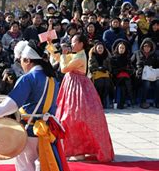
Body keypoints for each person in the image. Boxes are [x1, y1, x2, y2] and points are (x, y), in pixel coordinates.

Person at [0, 40, 72, 171]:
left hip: (28, 130)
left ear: (28, 60)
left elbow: (12, 103)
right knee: (42, 167)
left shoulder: (28, 78)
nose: (21, 65)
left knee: (25, 169)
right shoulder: (51, 79)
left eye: (22, 61)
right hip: (46, 131)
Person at [47, 34, 114, 162]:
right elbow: (60, 58)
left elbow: (64, 68)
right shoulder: (77, 54)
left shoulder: (80, 56)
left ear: (81, 44)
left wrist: (63, 55)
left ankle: (79, 150)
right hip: (72, 85)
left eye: (73, 42)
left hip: (78, 88)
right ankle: (76, 149)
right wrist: (51, 45)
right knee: (71, 117)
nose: (71, 44)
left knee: (75, 117)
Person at [130, 38, 158, 109]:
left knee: (158, 83)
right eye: (145, 46)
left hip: (152, 75)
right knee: (146, 83)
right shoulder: (137, 53)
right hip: (140, 75)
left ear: (151, 47)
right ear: (142, 46)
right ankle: (143, 102)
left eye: (149, 46)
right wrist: (135, 71)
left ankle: (157, 102)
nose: (147, 48)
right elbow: (130, 63)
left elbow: (157, 66)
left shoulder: (154, 55)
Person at [88, 41, 113, 109]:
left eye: (101, 48)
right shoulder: (92, 55)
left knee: (107, 84)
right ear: (96, 48)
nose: (100, 49)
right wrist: (98, 68)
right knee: (100, 84)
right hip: (96, 74)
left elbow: (110, 67)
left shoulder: (106, 55)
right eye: (99, 48)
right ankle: (99, 101)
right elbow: (90, 67)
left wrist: (105, 68)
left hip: (105, 73)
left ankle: (103, 100)